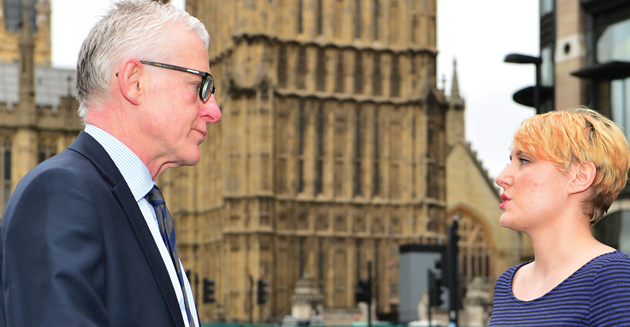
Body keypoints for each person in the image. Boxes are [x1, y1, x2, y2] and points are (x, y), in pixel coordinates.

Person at [0, 1, 220, 326]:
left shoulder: (139, 206)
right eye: (200, 86)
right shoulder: (61, 195)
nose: (214, 111)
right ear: (135, 82)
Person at [490, 108, 630, 326]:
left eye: (524, 160)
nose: (501, 177)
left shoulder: (614, 278)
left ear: (579, 177)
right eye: (510, 161)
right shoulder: (507, 283)